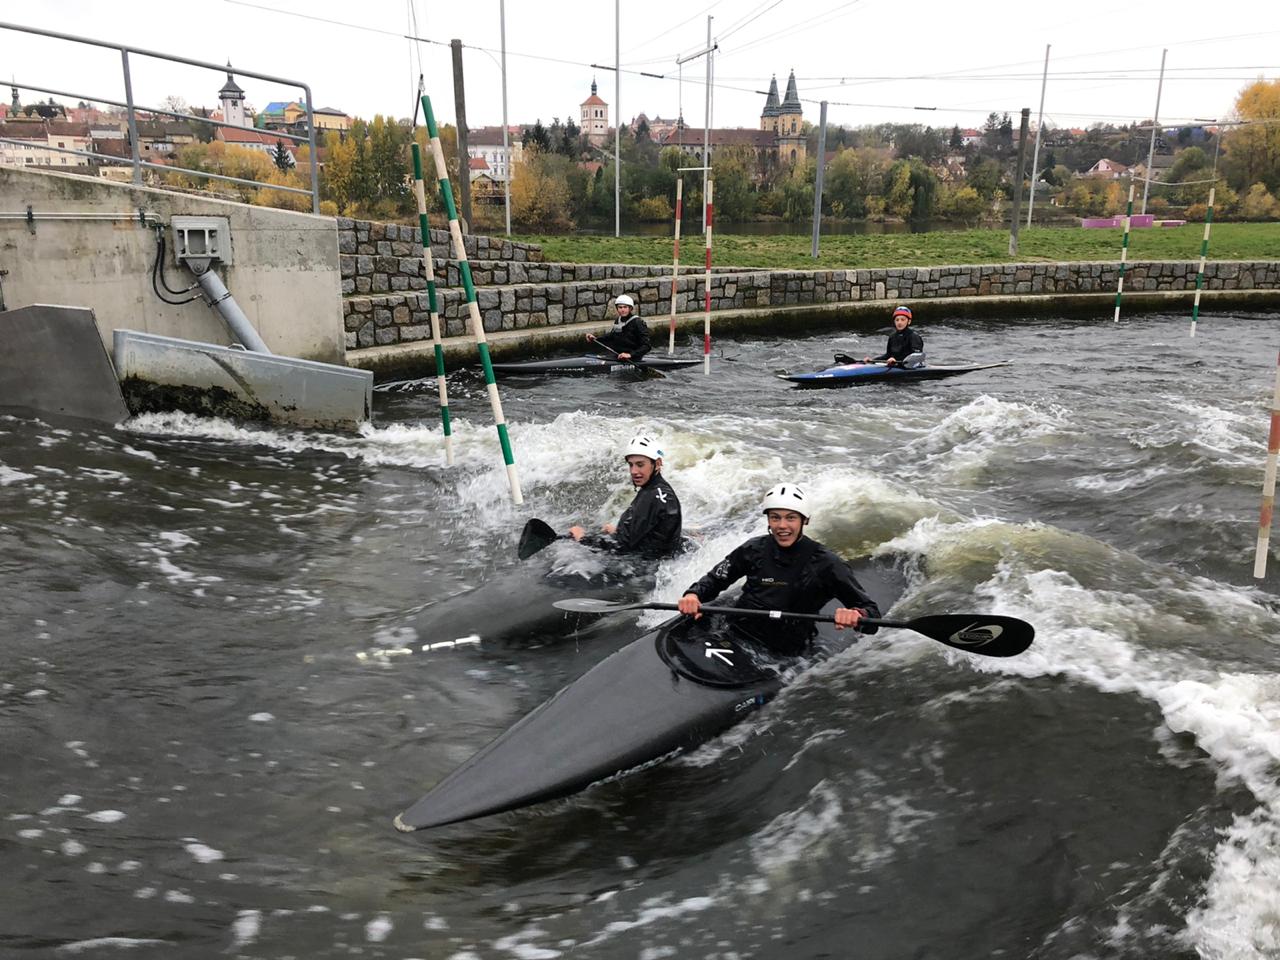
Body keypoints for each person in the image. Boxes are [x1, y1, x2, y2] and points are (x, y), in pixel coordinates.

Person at [676, 483, 881, 656]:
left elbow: (872, 615)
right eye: (775, 517)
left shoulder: (827, 564)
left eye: (791, 518)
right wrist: (694, 594)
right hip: (736, 631)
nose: (782, 525)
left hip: (783, 652)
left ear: (804, 520)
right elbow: (715, 579)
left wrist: (856, 614)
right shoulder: (753, 548)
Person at [569, 435, 682, 559]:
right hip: (657, 562)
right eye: (631, 465)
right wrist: (619, 532)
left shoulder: (652, 496)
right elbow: (651, 533)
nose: (633, 471)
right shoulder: (660, 489)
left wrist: (582, 539)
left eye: (640, 465)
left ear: (657, 463)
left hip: (643, 569)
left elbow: (621, 548)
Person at [834, 305, 925, 367]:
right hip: (895, 365)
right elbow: (888, 355)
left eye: (902, 320)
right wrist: (872, 361)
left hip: (909, 368)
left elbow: (916, 357)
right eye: (897, 320)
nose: (899, 322)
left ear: (909, 321)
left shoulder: (914, 336)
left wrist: (897, 361)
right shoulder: (892, 337)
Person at [586, 294, 651, 361]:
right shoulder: (618, 320)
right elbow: (612, 336)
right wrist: (596, 339)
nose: (622, 310)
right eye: (620, 307)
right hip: (618, 355)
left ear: (630, 308)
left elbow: (646, 346)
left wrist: (630, 355)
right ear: (617, 308)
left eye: (625, 307)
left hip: (632, 358)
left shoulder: (638, 322)